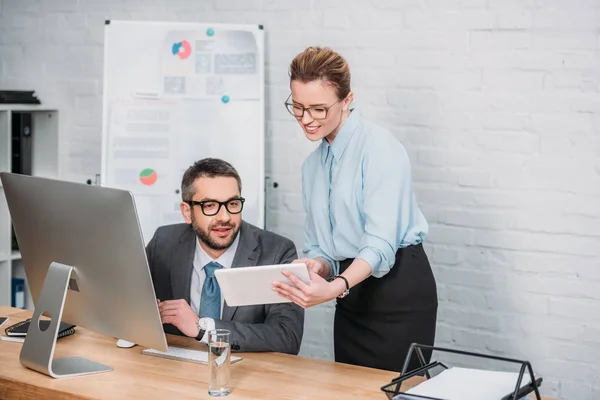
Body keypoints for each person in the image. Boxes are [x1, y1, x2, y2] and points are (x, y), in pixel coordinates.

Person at [272, 46, 438, 371]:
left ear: (347, 100)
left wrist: (335, 287)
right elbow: (322, 246)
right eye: (298, 107)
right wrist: (317, 266)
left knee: (394, 393)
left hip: (398, 295)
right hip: (351, 298)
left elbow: (380, 244)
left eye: (319, 109)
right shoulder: (312, 167)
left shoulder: (379, 148)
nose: (306, 119)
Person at [146, 158, 304, 354]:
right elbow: (129, 303)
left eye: (233, 203)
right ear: (187, 212)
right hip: (174, 370)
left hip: (245, 373)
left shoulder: (276, 252)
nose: (225, 217)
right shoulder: (164, 242)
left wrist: (203, 328)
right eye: (210, 205)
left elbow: (287, 337)